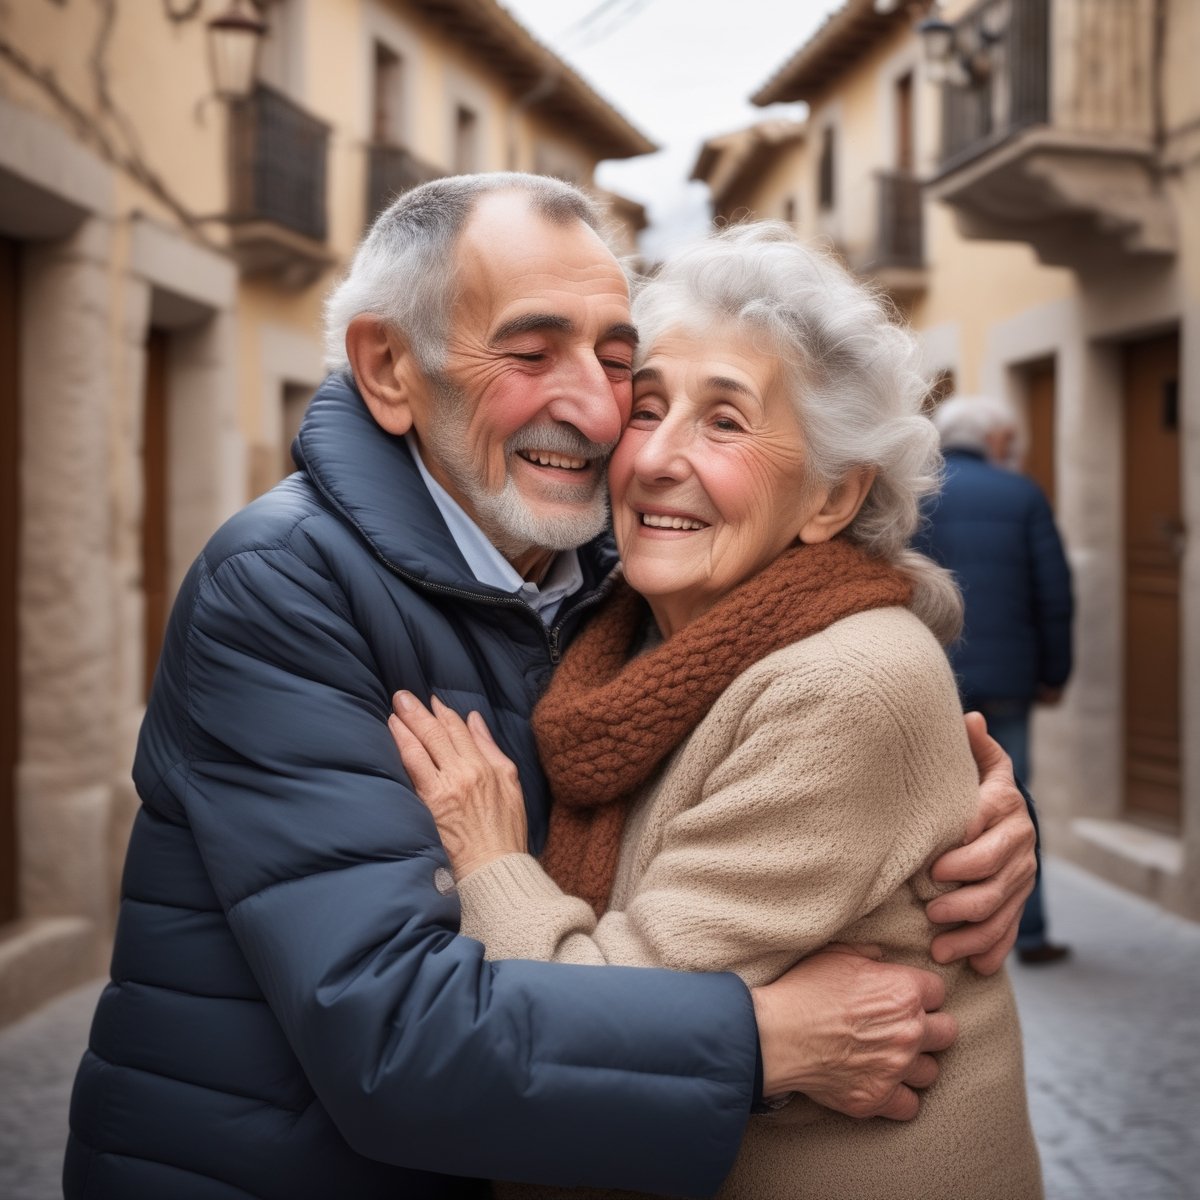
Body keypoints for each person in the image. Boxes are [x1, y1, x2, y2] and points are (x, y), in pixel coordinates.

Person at [65, 176, 1036, 1200]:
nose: (602, 414)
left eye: (617, 364)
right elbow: (396, 1034)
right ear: (390, 369)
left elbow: (822, 724)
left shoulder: (616, 582)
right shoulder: (283, 585)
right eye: (532, 354)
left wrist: (960, 831)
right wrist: (763, 1040)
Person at [388, 224, 1043, 1199]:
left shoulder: (838, 686)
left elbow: (601, 1027)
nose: (657, 459)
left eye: (725, 423)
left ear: (831, 497)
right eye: (646, 411)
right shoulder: (631, 633)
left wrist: (490, 860)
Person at [918, 395, 1073, 966]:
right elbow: (1053, 594)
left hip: (932, 674)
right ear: (996, 440)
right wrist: (1054, 673)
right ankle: (1027, 935)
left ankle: (942, 933)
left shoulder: (919, 489)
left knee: (932, 800)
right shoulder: (1023, 493)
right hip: (1009, 679)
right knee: (1016, 799)